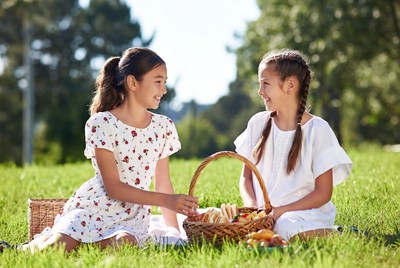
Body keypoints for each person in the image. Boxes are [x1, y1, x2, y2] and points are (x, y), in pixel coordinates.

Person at [3, 47, 199, 253]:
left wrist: (174, 234)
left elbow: (163, 184)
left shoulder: (163, 127)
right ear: (132, 82)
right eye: (158, 81)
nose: (164, 90)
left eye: (165, 82)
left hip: (132, 216)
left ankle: (78, 246)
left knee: (126, 242)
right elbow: (113, 187)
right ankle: (17, 250)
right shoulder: (101, 123)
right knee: (56, 248)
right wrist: (167, 200)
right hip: (93, 207)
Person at [234, 49, 352, 242]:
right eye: (259, 84)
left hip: (303, 215)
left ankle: (336, 232)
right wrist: (253, 211)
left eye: (265, 84)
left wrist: (279, 212)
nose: (260, 91)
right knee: (230, 224)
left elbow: (323, 193)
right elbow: (246, 178)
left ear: (290, 85)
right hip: (263, 216)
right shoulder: (257, 123)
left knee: (285, 227)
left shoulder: (317, 129)